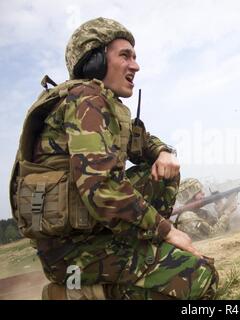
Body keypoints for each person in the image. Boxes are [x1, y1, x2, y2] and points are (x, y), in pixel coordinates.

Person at [10, 17, 217, 300]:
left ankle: (134, 257)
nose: (136, 65)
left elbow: (144, 143)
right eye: (125, 55)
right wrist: (167, 231)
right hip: (70, 255)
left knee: (164, 171)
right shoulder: (86, 102)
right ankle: (71, 293)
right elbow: (102, 189)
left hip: (93, 238)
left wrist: (162, 152)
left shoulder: (105, 105)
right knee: (199, 279)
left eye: (135, 56)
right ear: (94, 61)